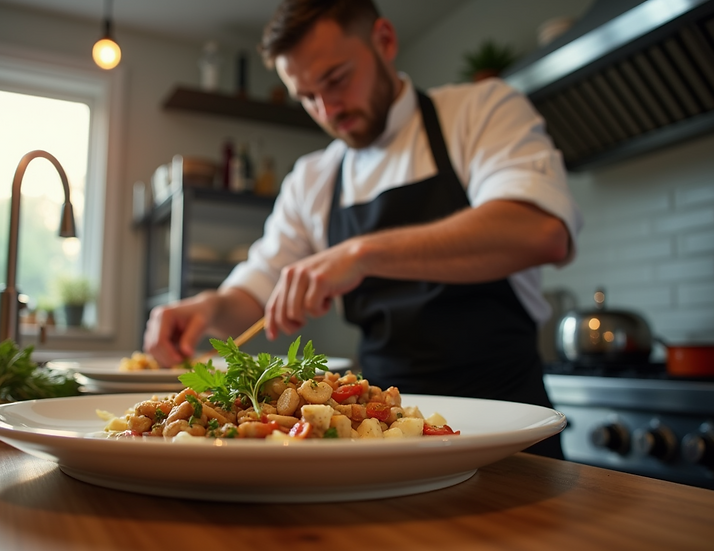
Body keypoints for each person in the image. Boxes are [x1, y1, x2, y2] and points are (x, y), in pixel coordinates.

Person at [144, 0, 582, 457]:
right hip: (378, 429)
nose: (328, 108)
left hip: (508, 422)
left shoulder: (481, 110)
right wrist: (208, 308)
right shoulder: (313, 179)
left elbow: (539, 229)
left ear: (385, 41)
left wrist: (359, 255)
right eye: (307, 97)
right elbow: (258, 292)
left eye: (336, 80)